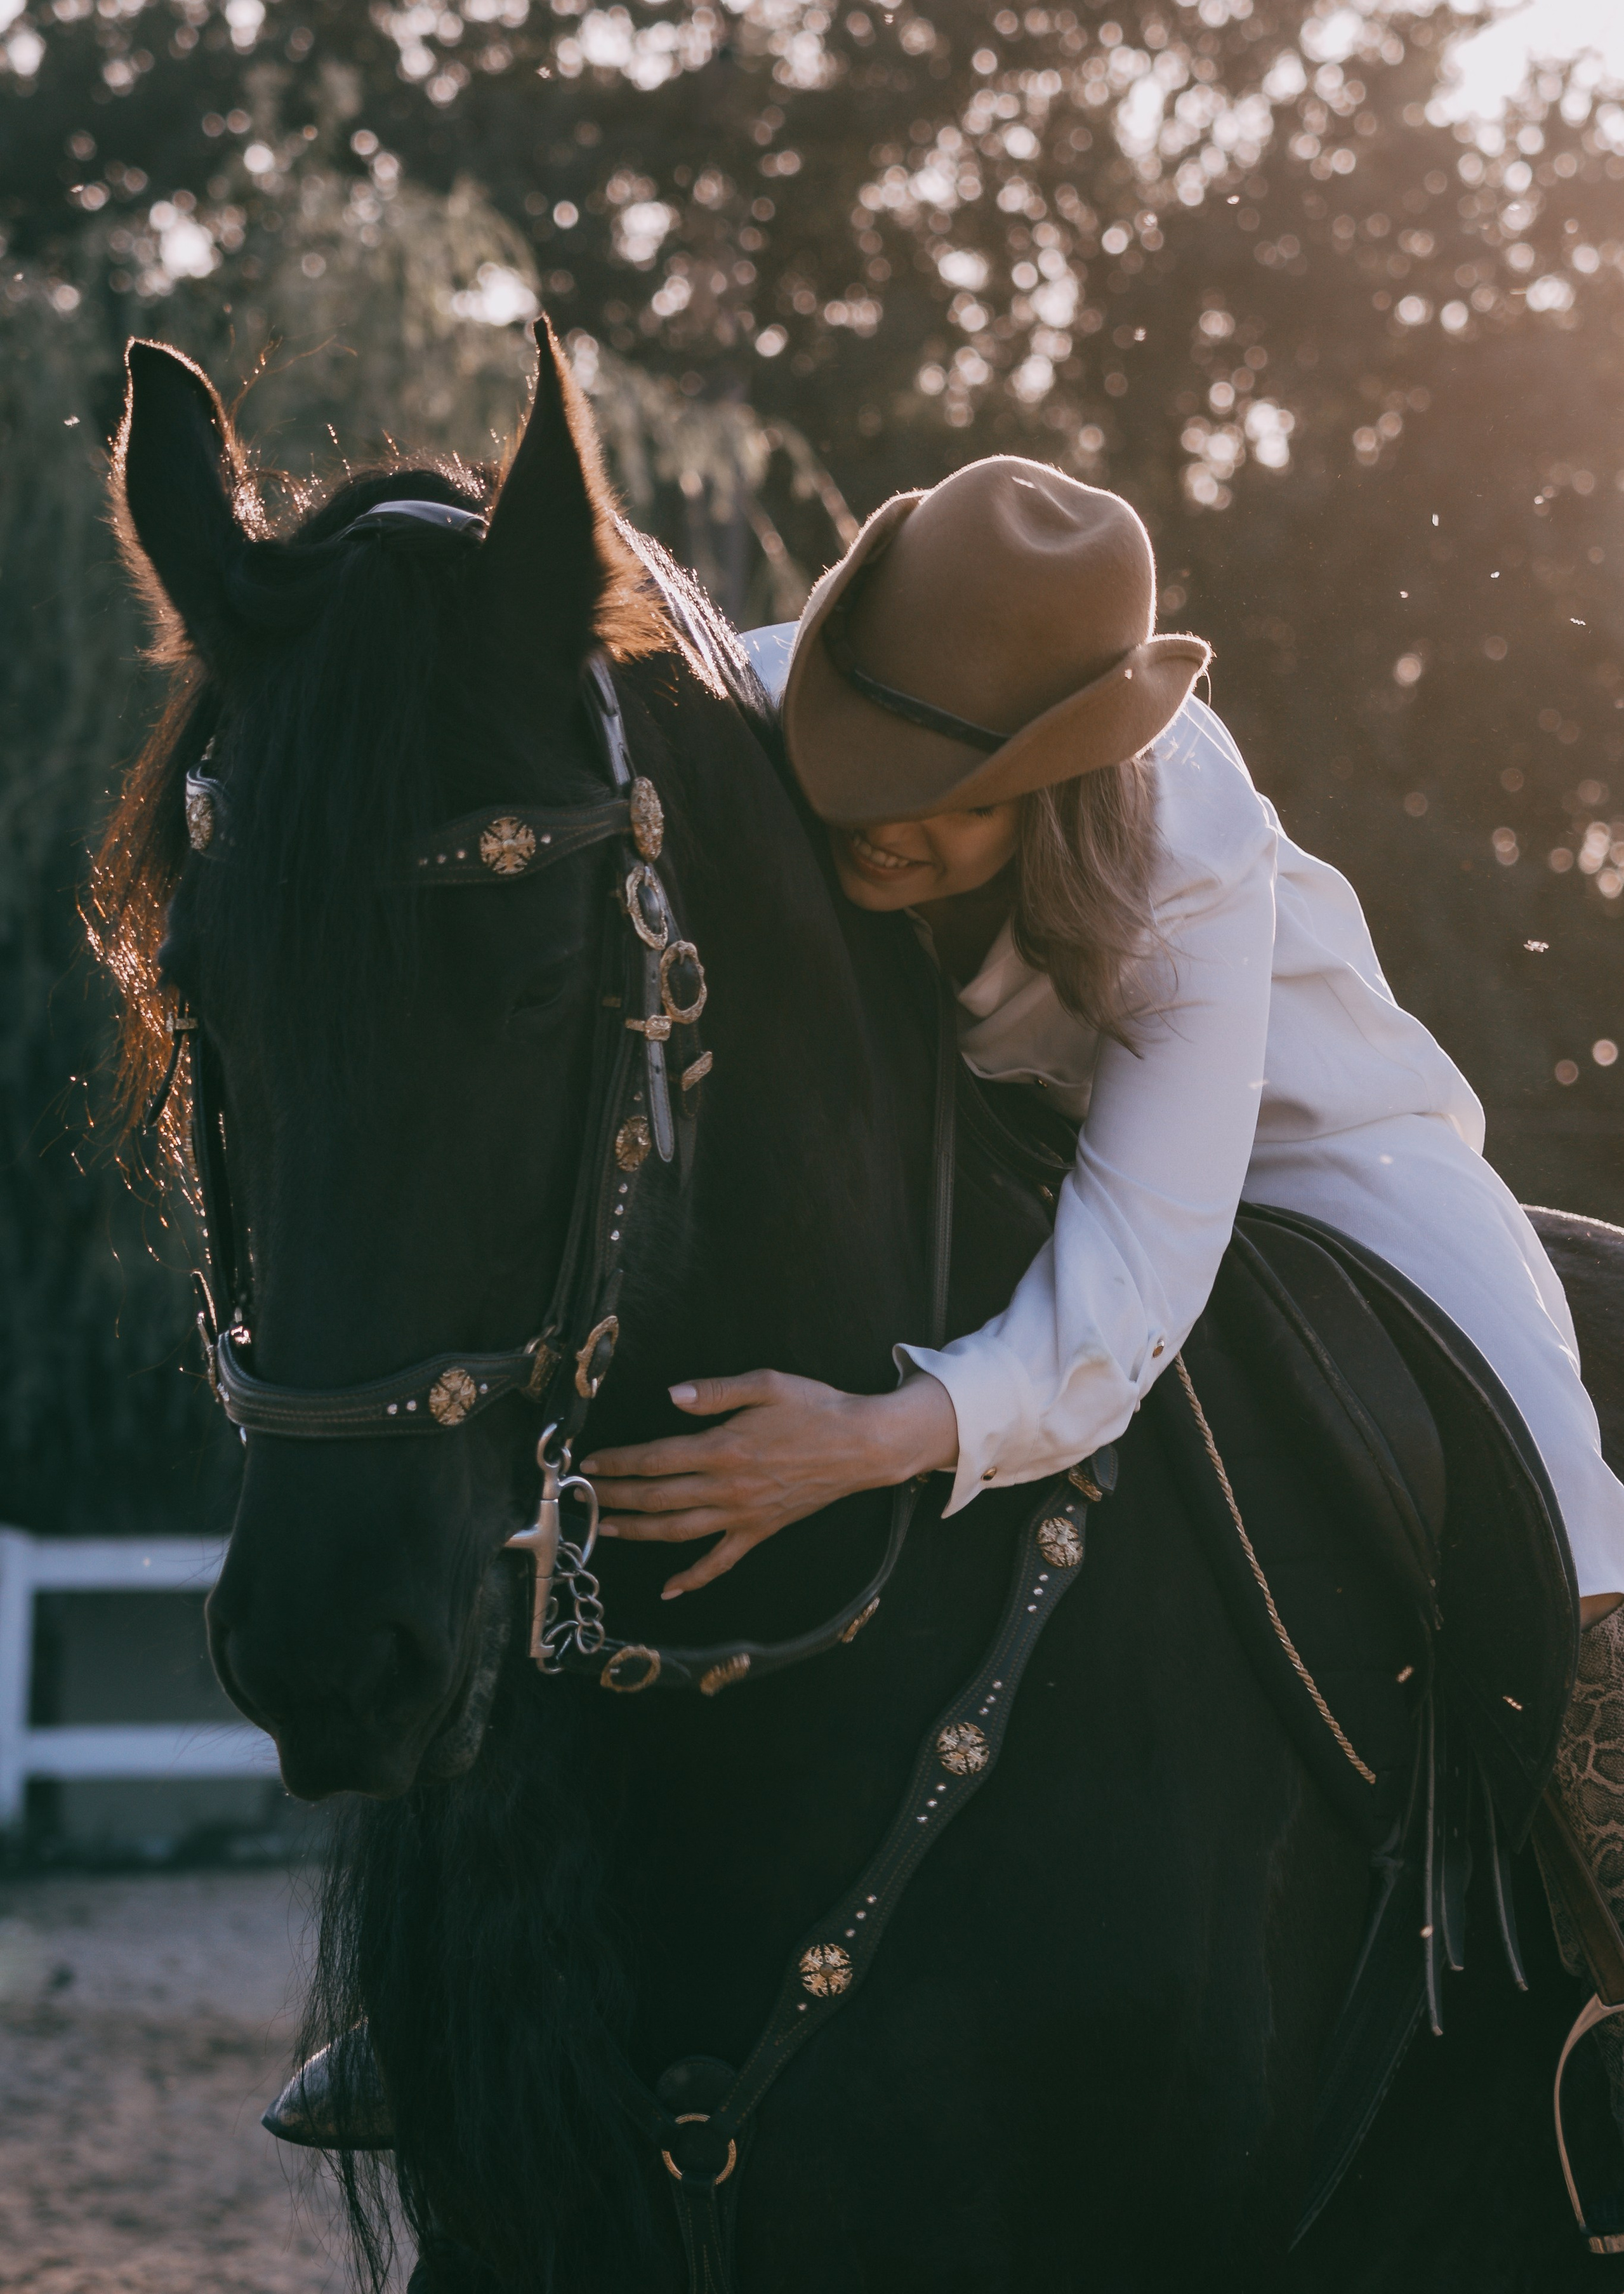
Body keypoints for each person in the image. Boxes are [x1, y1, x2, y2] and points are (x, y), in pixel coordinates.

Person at [580, 453, 1624, 1900]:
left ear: (1055, 791)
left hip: (1294, 1140)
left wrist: (873, 1438)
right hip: (951, 1111)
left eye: (944, 795)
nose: (874, 814)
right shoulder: (740, 707)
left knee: (1544, 1456)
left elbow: (1142, 1251)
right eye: (856, 747)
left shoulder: (1182, 844)